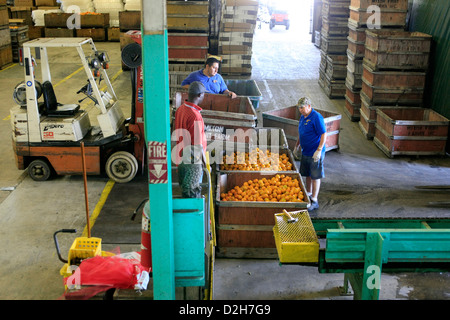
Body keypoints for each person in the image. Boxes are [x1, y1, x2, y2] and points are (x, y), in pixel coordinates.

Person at [173, 81, 208, 198]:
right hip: (193, 161)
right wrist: (205, 163)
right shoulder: (195, 115)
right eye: (203, 94)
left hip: (181, 158)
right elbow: (198, 145)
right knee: (191, 192)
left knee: (185, 189)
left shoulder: (180, 109)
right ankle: (191, 214)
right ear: (199, 95)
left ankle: (187, 211)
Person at [295, 97, 327, 211]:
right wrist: (297, 145)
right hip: (306, 151)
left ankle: (314, 200)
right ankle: (308, 194)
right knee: (307, 174)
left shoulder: (316, 117)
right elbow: (301, 132)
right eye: (299, 108)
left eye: (302, 108)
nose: (301, 110)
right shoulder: (303, 117)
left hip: (315, 152)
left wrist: (319, 150)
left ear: (309, 106)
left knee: (315, 176)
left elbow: (324, 134)